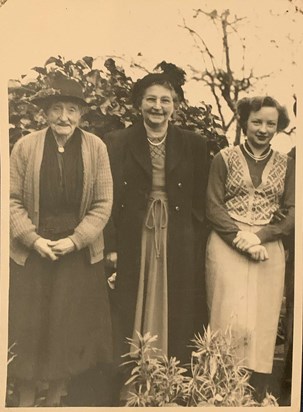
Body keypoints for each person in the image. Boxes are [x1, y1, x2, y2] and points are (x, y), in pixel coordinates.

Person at [8, 75, 113, 407]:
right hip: (34, 251)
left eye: (71, 109)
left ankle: (55, 400)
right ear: (45, 113)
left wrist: (76, 240)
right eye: (56, 109)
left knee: (66, 330)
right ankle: (24, 399)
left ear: (81, 114)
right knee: (28, 328)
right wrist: (32, 239)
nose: (64, 117)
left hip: (75, 254)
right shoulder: (25, 146)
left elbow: (102, 203)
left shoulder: (96, 147)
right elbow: (9, 201)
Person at [103, 72, 209, 393]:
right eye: (151, 99)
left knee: (176, 301)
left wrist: (194, 241)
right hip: (135, 235)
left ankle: (169, 380)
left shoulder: (195, 144)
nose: (157, 107)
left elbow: (199, 201)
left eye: (165, 100)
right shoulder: (117, 142)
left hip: (177, 236)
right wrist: (111, 246)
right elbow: (108, 197)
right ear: (139, 104)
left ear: (175, 106)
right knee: (131, 299)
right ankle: (130, 382)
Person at [205, 96, 295, 402]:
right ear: (244, 122)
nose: (263, 129)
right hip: (227, 244)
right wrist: (240, 239)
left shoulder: (288, 164)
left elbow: (293, 211)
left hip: (268, 248)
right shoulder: (224, 157)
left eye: (271, 123)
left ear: (279, 126)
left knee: (263, 320)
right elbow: (213, 207)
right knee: (228, 316)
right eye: (257, 121)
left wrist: (261, 236)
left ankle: (255, 397)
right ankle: (221, 393)